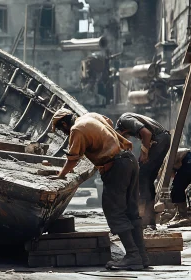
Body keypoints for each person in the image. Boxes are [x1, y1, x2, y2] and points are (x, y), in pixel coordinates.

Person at [50, 108, 148, 270]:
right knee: (131, 211)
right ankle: (142, 257)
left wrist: (61, 175)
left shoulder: (76, 129)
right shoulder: (90, 117)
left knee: (114, 211)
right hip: (129, 159)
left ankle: (132, 255)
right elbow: (108, 123)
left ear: (64, 123)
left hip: (116, 167)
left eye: (61, 128)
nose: (63, 132)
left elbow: (73, 158)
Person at [115, 113, 171, 230]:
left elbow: (147, 133)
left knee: (142, 177)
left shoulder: (124, 119)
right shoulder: (127, 125)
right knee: (147, 179)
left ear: (120, 132)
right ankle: (149, 221)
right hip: (161, 140)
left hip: (159, 140)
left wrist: (144, 152)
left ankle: (142, 219)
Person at [164, 148, 191, 228]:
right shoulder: (168, 155)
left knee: (176, 189)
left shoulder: (165, 159)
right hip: (190, 164)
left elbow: (171, 174)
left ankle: (182, 215)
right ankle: (180, 213)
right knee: (178, 188)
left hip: (187, 163)